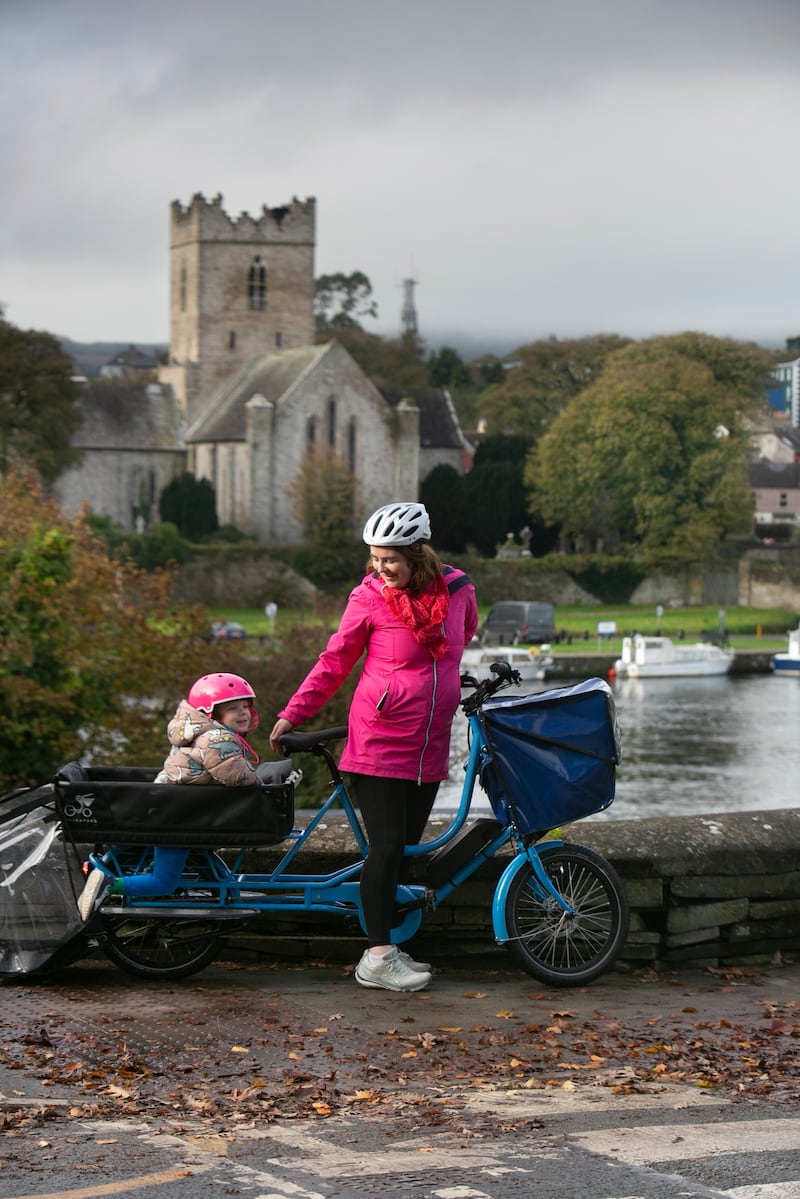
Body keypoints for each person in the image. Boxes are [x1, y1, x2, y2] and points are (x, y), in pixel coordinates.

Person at [269, 501, 478, 992]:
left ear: (418, 554)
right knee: (385, 846)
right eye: (376, 559)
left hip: (430, 741)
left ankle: (390, 946)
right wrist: (292, 714)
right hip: (380, 736)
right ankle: (377, 957)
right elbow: (334, 661)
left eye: (391, 560)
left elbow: (461, 638)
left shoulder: (458, 590)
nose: (382, 569)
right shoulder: (369, 597)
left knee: (403, 847)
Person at [77, 673, 261, 921]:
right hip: (174, 817)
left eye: (246, 706)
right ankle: (108, 884)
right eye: (232, 708)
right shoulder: (218, 739)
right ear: (211, 714)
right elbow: (237, 777)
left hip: (165, 808)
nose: (243, 713)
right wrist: (259, 780)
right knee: (163, 882)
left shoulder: (195, 732)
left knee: (160, 869)